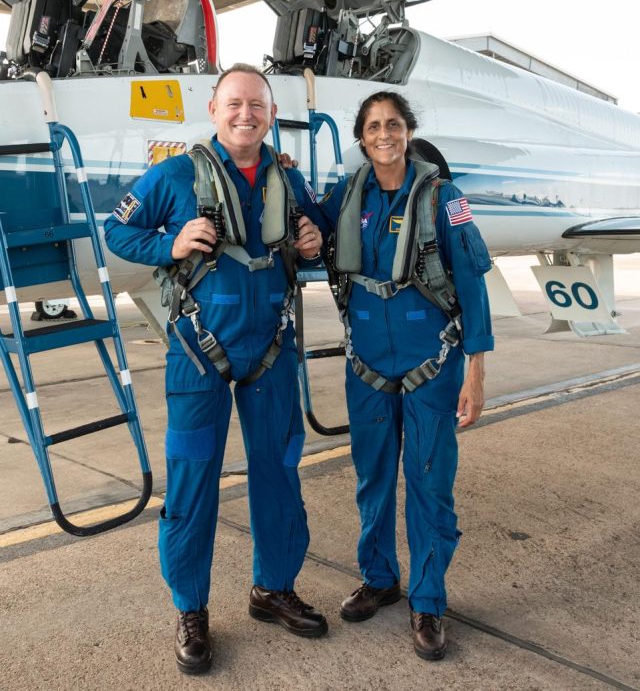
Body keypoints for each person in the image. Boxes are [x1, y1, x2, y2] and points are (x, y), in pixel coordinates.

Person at [104, 63, 327, 675]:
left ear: (271, 113)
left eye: (256, 104)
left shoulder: (288, 177)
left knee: (279, 472)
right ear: (214, 109)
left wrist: (312, 240)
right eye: (234, 103)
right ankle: (191, 609)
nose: (245, 114)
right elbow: (117, 229)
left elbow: (319, 228)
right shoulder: (176, 174)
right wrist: (169, 246)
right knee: (194, 479)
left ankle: (272, 587)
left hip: (272, 351)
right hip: (198, 353)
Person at [318, 91, 493, 661]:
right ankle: (379, 578)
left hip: (433, 366)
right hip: (366, 365)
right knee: (372, 480)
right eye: (372, 127)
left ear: (408, 131)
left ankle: (428, 601)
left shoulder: (447, 199)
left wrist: (476, 371)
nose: (383, 134)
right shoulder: (347, 196)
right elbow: (305, 225)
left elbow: (472, 285)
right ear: (362, 137)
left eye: (392, 124)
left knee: (429, 486)